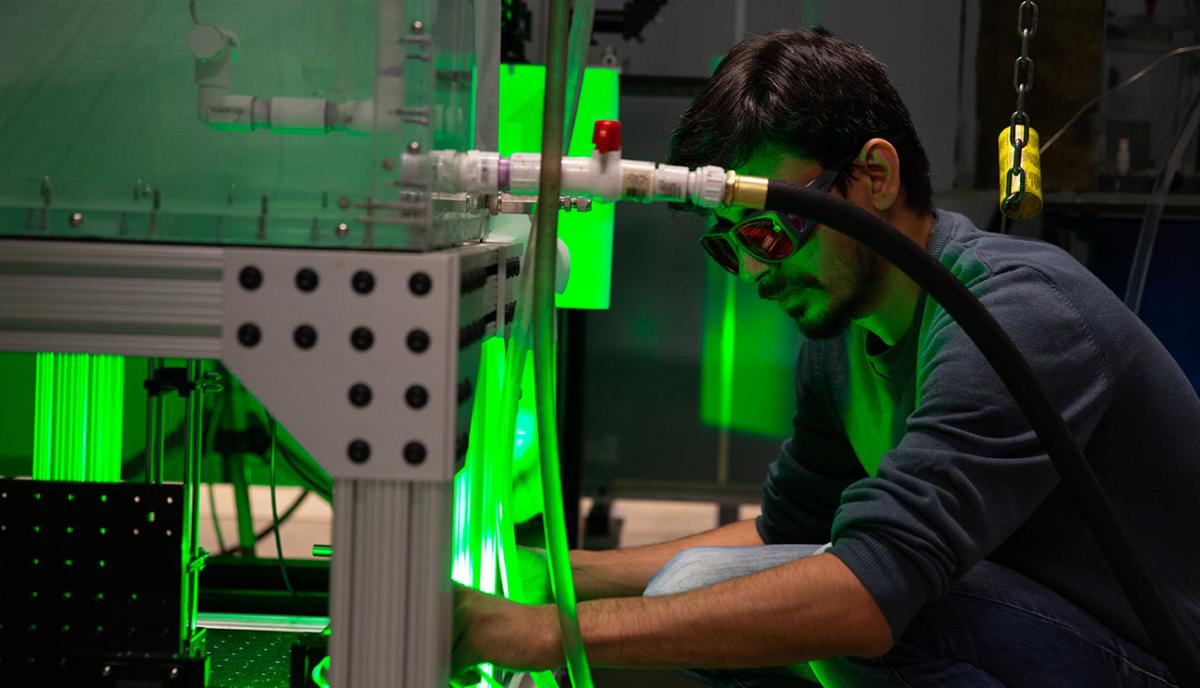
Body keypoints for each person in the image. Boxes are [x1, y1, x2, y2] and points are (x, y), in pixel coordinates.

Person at [454, 28, 1200, 686]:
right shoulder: (844, 333)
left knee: (864, 614)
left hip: (1152, 663)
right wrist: (550, 577)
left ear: (874, 177)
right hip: (1037, 637)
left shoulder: (1015, 317)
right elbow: (781, 533)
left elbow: (867, 594)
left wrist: (540, 635)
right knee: (701, 586)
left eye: (769, 234)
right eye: (727, 247)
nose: (752, 274)